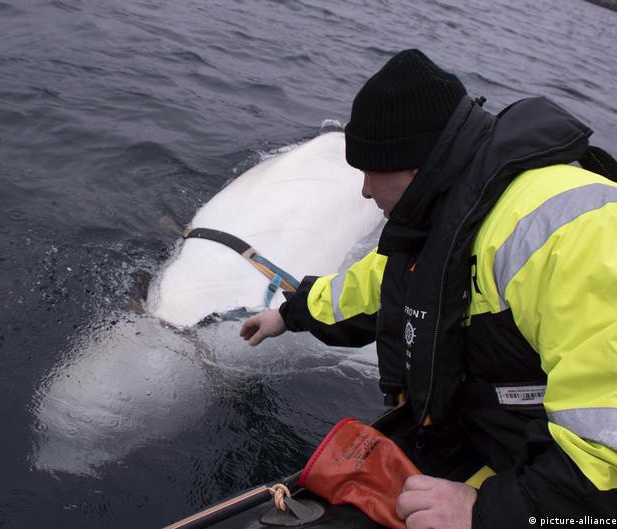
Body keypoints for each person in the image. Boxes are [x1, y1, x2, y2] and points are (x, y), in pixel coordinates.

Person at [240, 49, 617, 529]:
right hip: (496, 448)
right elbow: (376, 289)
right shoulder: (448, 215)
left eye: (370, 171)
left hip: (555, 498)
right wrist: (289, 315)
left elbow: (607, 460)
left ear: (412, 166)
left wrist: (487, 514)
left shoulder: (575, 234)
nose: (364, 192)